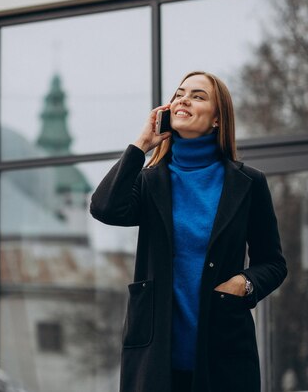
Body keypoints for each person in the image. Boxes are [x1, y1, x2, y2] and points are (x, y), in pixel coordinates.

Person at [90, 71, 287, 392]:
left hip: (224, 353)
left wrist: (244, 283)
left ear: (217, 120)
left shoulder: (248, 183)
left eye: (198, 96)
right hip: (155, 354)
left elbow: (274, 264)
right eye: (180, 94)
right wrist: (141, 144)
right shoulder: (150, 180)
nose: (183, 99)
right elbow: (104, 208)